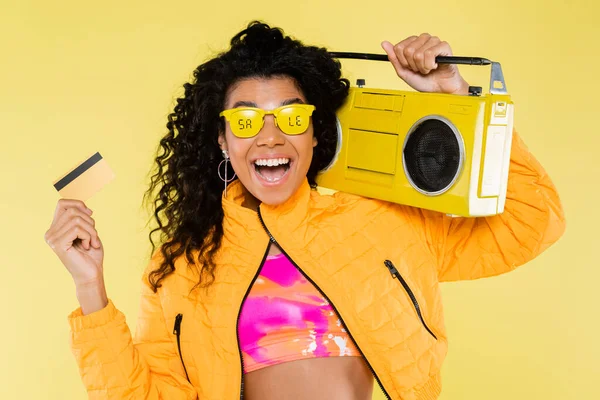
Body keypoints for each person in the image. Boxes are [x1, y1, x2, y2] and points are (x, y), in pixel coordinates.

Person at [44, 21, 565, 400]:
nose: (270, 137)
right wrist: (90, 289)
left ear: (316, 134)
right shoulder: (179, 267)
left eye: (291, 118)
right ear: (223, 142)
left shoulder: (384, 221)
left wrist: (457, 101)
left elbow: (531, 220)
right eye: (246, 123)